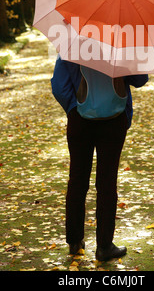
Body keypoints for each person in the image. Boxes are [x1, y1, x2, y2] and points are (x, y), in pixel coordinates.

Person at [51, 55, 148, 261]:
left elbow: (58, 86)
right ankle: (104, 246)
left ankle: (75, 242)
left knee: (77, 180)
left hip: (80, 119)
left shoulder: (72, 43)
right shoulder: (124, 44)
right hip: (114, 119)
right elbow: (140, 79)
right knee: (107, 183)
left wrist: (74, 109)